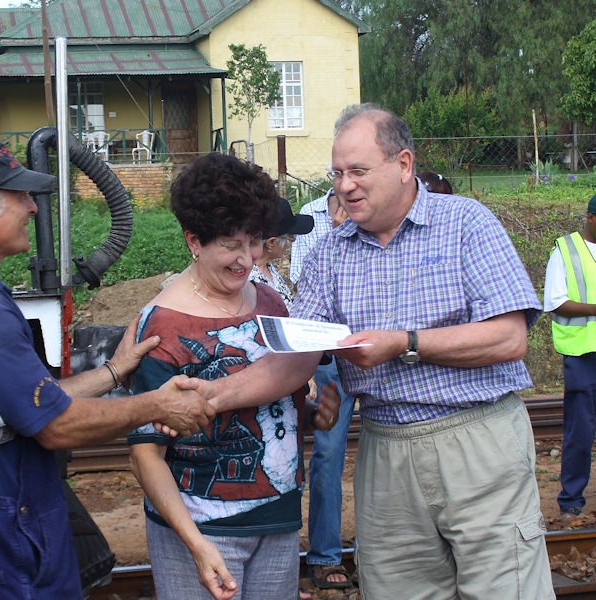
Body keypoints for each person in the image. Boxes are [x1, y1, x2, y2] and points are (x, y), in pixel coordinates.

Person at [188, 104, 554, 599]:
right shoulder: (333, 252)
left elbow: (509, 338)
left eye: (358, 171)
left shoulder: (466, 222)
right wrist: (213, 395)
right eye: (337, 174)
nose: (345, 186)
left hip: (478, 440)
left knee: (503, 588)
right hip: (384, 449)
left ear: (403, 164)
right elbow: (293, 356)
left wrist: (403, 344)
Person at [0, 141, 215, 600]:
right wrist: (158, 404)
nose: (31, 207)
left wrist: (115, 371)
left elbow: (30, 398)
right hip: (2, 551)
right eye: (19, 195)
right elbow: (55, 424)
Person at [126, 152, 338, 600]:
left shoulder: (272, 305)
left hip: (278, 521)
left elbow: (279, 409)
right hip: (200, 530)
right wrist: (197, 546)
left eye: (255, 241)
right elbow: (146, 456)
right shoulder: (161, 326)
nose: (246, 259)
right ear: (194, 241)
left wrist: (316, 414)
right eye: (229, 243)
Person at [289, 188, 355, 591]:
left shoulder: (380, 213)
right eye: (341, 169)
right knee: (328, 456)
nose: (349, 180)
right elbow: (302, 285)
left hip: (378, 348)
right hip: (330, 358)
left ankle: (385, 546)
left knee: (394, 444)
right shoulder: (310, 215)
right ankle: (326, 554)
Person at [543, 193, 596, 520]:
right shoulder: (565, 251)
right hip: (582, 355)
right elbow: (556, 302)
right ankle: (571, 500)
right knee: (581, 432)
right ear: (591, 218)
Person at [248, 196, 314, 309]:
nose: (293, 241)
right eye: (291, 237)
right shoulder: (250, 280)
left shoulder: (267, 267)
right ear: (271, 243)